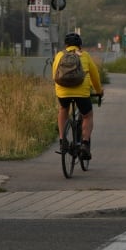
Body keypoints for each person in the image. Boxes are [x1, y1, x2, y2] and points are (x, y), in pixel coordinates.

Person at [52, 32, 103, 160]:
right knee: (87, 115)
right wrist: (99, 90)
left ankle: (62, 140)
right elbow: (94, 75)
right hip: (82, 92)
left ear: (66, 45)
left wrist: (60, 90)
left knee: (63, 109)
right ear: (80, 45)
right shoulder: (85, 56)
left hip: (63, 92)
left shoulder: (59, 55)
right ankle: (85, 144)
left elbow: (55, 75)